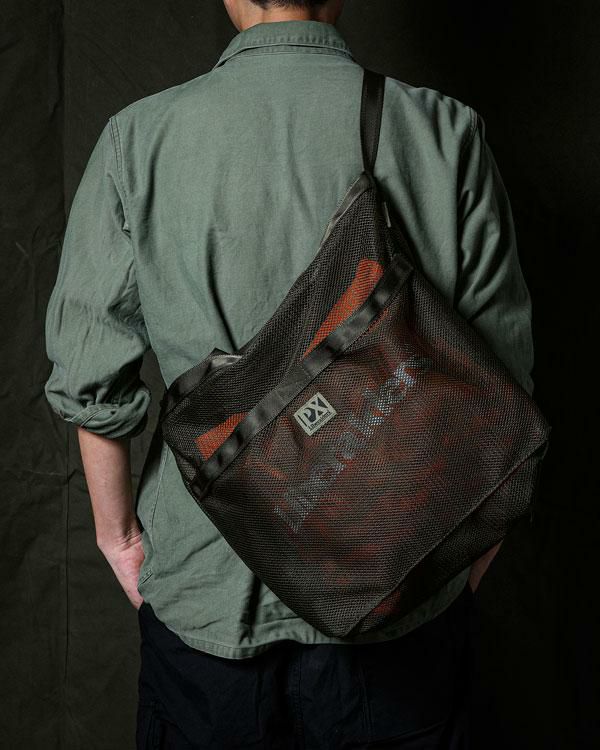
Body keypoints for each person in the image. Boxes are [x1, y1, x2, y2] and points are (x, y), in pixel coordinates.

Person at [43, 0, 536, 747]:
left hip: (204, 604)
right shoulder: (441, 130)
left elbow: (90, 380)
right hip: (398, 598)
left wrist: (119, 540)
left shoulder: (137, 139)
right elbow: (504, 392)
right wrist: (454, 565)